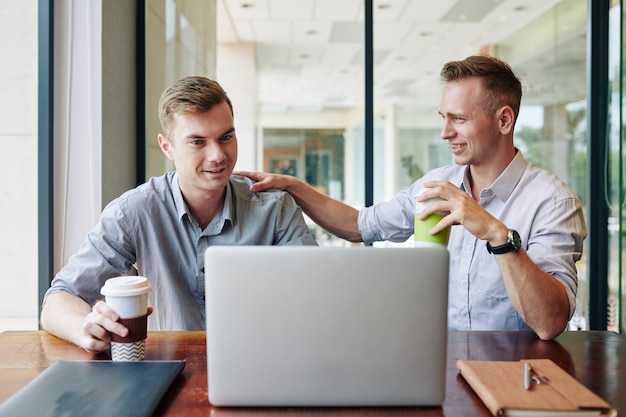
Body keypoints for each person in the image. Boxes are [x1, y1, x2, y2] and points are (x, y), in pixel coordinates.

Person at [237, 55, 587, 340]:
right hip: (438, 368)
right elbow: (359, 226)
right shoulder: (436, 184)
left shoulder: (552, 202)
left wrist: (497, 235)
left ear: (504, 120)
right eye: (443, 118)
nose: (445, 132)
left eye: (458, 119)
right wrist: (294, 187)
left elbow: (549, 322)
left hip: (514, 377)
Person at [40, 76, 317, 353]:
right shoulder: (135, 211)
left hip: (261, 362)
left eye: (226, 137)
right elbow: (58, 300)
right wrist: (85, 327)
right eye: (198, 142)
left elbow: (317, 296)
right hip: (169, 370)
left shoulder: (275, 208)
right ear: (167, 146)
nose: (218, 155)